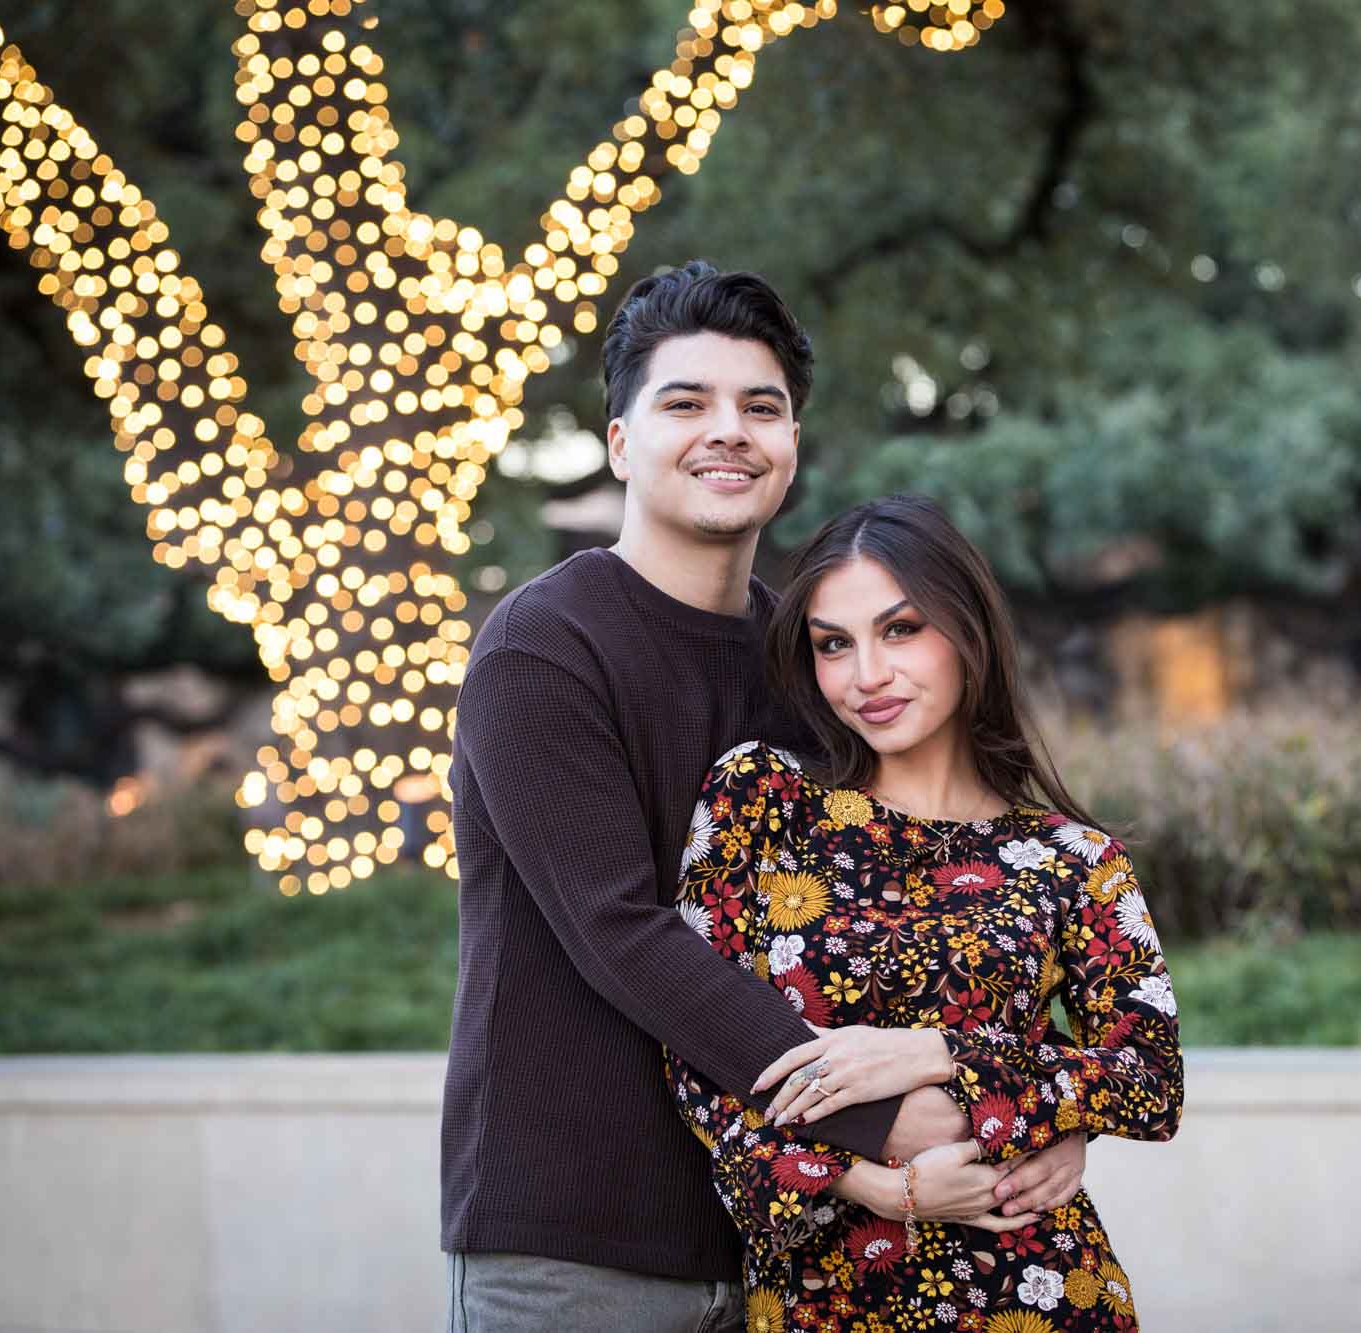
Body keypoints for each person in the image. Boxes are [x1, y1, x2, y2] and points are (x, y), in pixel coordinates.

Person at [441, 263, 1083, 1331]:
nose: (725, 431)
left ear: (791, 448)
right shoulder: (540, 648)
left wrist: (1030, 1110)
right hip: (575, 1240)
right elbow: (621, 930)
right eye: (684, 403)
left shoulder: (814, 664)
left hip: (798, 1240)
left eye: (761, 407)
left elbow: (917, 910)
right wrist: (883, 1111)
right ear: (618, 442)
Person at [665, 494, 1185, 1332]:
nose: (866, 674)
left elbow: (1150, 1081)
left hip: (1036, 1287)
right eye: (835, 643)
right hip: (824, 1295)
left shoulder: (1072, 858)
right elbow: (695, 1049)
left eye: (900, 629)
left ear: (968, 631)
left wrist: (937, 1054)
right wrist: (874, 1184)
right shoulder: (762, 800)